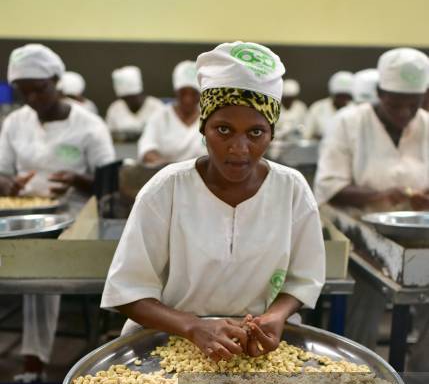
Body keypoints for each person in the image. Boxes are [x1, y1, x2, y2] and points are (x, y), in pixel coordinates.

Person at [101, 41, 325, 361]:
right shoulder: (166, 189)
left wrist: (276, 316)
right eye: (224, 129)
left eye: (256, 133)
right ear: (203, 127)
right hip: (169, 338)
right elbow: (127, 290)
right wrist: (193, 327)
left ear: (272, 134)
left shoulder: (292, 190)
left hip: (256, 343)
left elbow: (303, 279)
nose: (239, 148)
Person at [0, 43, 115, 384]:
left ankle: (32, 367)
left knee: (40, 271)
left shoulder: (88, 125)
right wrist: (7, 185)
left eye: (40, 89)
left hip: (75, 220)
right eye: (24, 91)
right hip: (20, 215)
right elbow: (2, 171)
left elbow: (109, 184)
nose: (32, 98)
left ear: (57, 81)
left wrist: (79, 181)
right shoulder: (15, 122)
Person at [314, 47, 429, 367]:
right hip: (359, 235)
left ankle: (421, 377)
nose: (405, 113)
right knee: (365, 302)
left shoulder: (426, 125)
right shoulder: (349, 123)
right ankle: (357, 373)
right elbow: (330, 187)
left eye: (413, 103)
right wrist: (381, 195)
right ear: (379, 94)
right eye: (395, 104)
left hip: (417, 236)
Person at [137, 61, 206, 166]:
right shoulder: (160, 116)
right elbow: (146, 148)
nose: (188, 99)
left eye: (194, 94)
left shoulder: (208, 117)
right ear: (175, 92)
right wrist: (165, 166)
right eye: (183, 93)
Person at [106, 66, 164, 139]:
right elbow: (110, 135)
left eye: (132, 97)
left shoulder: (157, 106)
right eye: (125, 99)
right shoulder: (114, 109)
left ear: (140, 93)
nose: (129, 101)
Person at [304, 71, 354, 140]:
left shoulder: (355, 110)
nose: (343, 100)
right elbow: (306, 135)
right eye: (339, 96)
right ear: (332, 94)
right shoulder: (318, 108)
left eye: (346, 96)